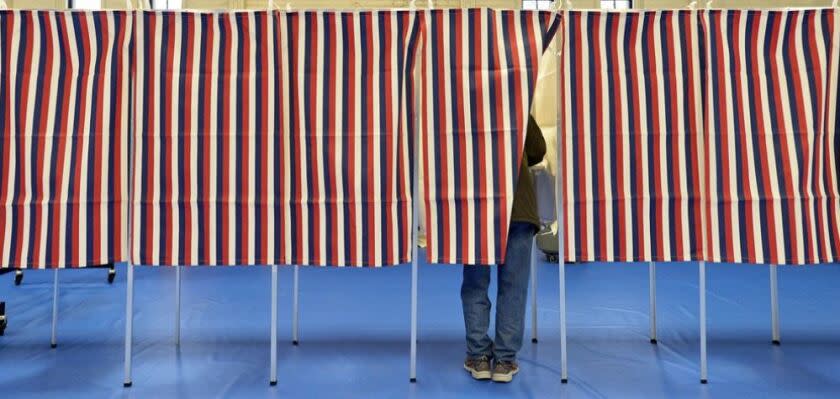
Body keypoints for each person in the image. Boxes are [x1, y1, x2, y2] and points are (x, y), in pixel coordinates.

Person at [462, 115, 546, 383]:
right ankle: (505, 360)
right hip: (519, 207)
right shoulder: (517, 100)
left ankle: (478, 357)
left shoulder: (460, 104)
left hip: (478, 206)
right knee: (514, 286)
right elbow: (537, 151)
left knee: (476, 283)